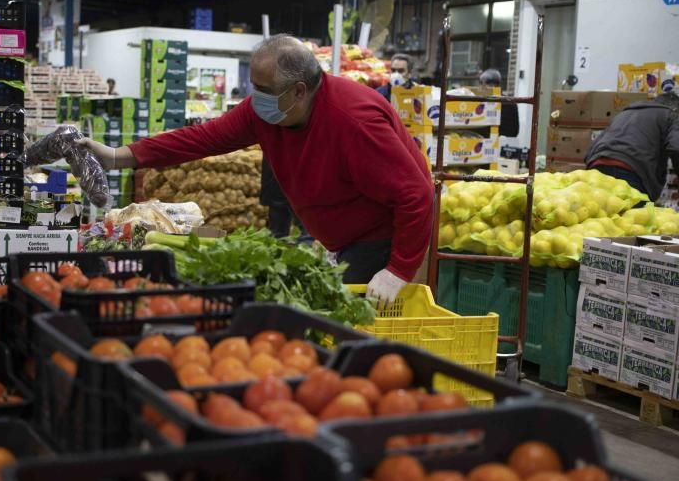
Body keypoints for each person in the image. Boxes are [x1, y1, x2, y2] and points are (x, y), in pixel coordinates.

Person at [81, 35, 433, 304]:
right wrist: (118, 155)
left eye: (263, 90)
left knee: (356, 335)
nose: (255, 97)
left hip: (381, 238)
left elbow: (416, 195)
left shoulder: (354, 121)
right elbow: (202, 138)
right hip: (345, 239)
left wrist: (398, 269)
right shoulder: (268, 112)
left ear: (298, 90)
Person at [584, 92, 679, 202]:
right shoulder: (671, 116)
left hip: (597, 166)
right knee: (632, 217)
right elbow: (678, 148)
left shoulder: (624, 114)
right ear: (675, 110)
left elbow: (593, 145)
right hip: (631, 170)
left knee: (600, 216)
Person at [479, 68, 519, 138]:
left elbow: (513, 130)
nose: (483, 87)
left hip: (501, 141)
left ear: (496, 85)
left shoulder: (508, 103)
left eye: (486, 84)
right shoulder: (482, 101)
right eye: (481, 83)